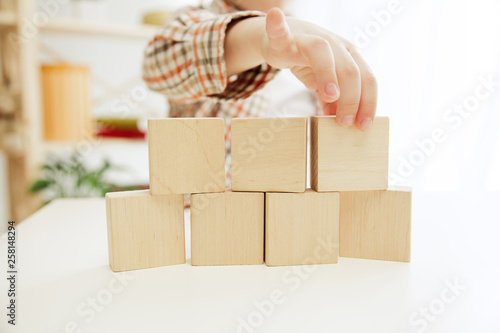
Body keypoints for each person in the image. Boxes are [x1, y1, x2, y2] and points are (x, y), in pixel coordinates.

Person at [142, 0, 378, 134]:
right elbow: (157, 67)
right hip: (210, 214)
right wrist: (260, 39)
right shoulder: (192, 20)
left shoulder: (319, 41)